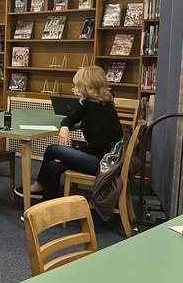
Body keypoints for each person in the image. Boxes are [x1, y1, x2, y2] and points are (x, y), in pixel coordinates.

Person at [29, 66, 123, 200]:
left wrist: (76, 150)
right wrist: (65, 127)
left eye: (78, 85)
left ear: (87, 86)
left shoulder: (103, 109)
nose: (75, 88)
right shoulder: (88, 104)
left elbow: (100, 146)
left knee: (52, 149)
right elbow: (70, 118)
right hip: (97, 155)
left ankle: (39, 184)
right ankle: (48, 207)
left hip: (104, 162)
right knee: (52, 166)